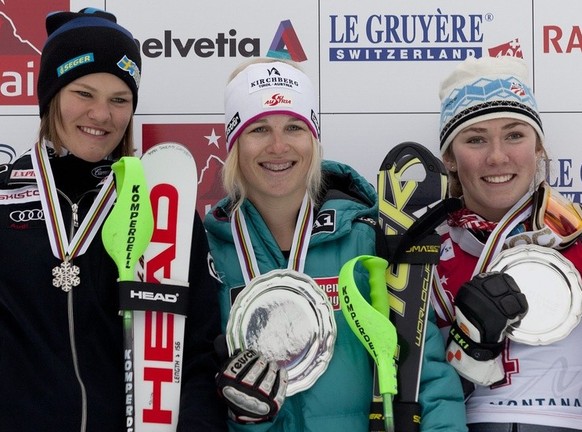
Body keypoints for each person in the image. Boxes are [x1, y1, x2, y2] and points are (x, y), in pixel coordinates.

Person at [204, 57, 467, 431]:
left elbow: (426, 373)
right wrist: (245, 418)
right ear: (234, 144)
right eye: (259, 129)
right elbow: (195, 401)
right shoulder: (209, 254)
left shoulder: (368, 239)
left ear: (312, 140)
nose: (278, 146)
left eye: (294, 127)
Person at [0, 8, 226, 431]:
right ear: (51, 95)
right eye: (84, 93)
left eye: (119, 99)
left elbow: (200, 357)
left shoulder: (165, 209)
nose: (102, 115)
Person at [432, 54, 582, 431]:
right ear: (449, 157)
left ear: (538, 148)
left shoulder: (576, 232)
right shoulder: (419, 248)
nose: (497, 157)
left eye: (515, 135)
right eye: (476, 139)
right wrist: (466, 351)